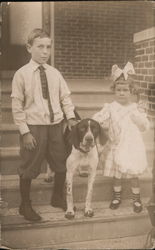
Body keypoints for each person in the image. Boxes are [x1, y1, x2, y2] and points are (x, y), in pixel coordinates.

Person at [11, 28, 77, 221]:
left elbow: (65, 97)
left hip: (56, 126)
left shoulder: (55, 73)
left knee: (61, 162)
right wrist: (24, 132)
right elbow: (17, 106)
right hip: (34, 128)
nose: (45, 51)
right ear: (29, 47)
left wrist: (70, 117)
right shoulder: (21, 74)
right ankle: (25, 205)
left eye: (48, 47)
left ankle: (57, 197)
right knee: (29, 166)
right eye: (40, 46)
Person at [93, 62, 150, 213]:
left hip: (132, 146)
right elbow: (98, 119)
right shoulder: (110, 107)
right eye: (118, 90)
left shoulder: (135, 108)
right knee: (116, 174)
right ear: (114, 91)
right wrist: (99, 122)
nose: (122, 93)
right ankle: (117, 196)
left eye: (125, 90)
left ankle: (136, 198)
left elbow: (144, 126)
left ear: (131, 91)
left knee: (133, 174)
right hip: (116, 145)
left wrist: (140, 122)